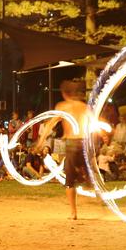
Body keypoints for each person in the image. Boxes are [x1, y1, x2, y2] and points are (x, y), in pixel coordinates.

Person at [36, 79, 91, 220]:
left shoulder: (62, 106)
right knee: (89, 174)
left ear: (64, 93)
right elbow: (94, 124)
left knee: (70, 180)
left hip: (72, 144)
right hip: (85, 143)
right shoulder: (84, 106)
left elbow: (50, 125)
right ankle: (93, 187)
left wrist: (40, 142)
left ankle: (73, 212)